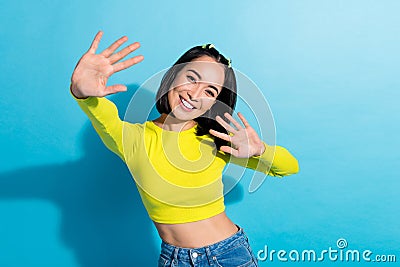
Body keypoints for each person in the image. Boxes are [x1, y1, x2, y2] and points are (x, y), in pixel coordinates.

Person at [70, 31, 299, 267]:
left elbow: (289, 167)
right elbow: (102, 114)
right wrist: (82, 92)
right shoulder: (132, 138)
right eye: (192, 78)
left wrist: (260, 149)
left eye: (210, 91)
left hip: (229, 256)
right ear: (172, 77)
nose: (195, 94)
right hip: (173, 260)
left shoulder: (216, 140)